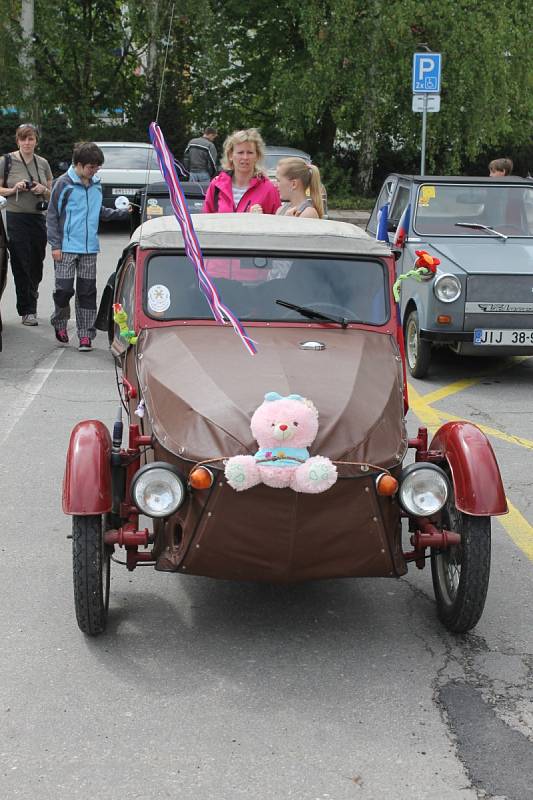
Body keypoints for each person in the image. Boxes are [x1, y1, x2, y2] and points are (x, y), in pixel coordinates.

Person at [47, 142, 129, 351]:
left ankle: (85, 335)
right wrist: (55, 245)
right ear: (80, 165)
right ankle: (59, 322)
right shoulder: (63, 184)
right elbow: (52, 215)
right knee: (63, 291)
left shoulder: (96, 184)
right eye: (92, 167)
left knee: (87, 292)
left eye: (97, 167)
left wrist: (122, 214)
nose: (95, 171)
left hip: (89, 249)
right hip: (65, 248)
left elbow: (98, 210)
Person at [0, 123, 53, 326]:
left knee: (36, 262)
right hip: (15, 217)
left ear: (36, 141)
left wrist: (41, 189)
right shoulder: (6, 161)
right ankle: (27, 310)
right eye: (23, 139)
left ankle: (32, 291)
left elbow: (51, 192)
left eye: (30, 138)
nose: (27, 143)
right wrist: (14, 188)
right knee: (21, 262)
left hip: (37, 217)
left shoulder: (43, 163)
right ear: (18, 141)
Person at [203, 128, 280, 214]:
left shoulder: (269, 189)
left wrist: (260, 220)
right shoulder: (216, 186)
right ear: (230, 155)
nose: (245, 157)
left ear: (257, 156)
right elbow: (207, 219)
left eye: (250, 152)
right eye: (240, 152)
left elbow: (276, 225)